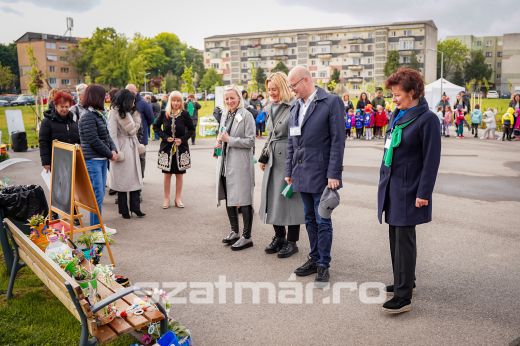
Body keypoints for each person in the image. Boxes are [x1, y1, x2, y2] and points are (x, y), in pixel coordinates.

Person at [378, 67, 441, 314]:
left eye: (397, 94)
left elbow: (431, 161)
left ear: (413, 92)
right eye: (392, 94)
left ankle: (403, 296)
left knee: (404, 239)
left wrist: (423, 193)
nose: (393, 99)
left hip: (411, 188)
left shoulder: (428, 120)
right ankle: (405, 280)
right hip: (393, 187)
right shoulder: (398, 115)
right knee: (395, 237)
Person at [285, 66, 345, 284]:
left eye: (293, 86)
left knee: (323, 219)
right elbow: (292, 141)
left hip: (322, 174)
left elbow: (338, 141)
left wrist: (334, 173)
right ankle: (314, 257)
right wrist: (289, 170)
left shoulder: (330, 102)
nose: (292, 91)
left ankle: (323, 264)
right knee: (309, 218)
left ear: (306, 80)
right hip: (301, 173)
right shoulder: (295, 106)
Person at [259, 72, 305, 258]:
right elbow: (270, 134)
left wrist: (297, 162)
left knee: (290, 199)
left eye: (275, 89)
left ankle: (292, 242)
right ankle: (279, 236)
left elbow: (298, 136)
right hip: (273, 157)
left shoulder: (295, 106)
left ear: (283, 88)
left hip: (288, 155)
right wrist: (263, 155)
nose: (272, 92)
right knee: (272, 197)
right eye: (269, 89)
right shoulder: (270, 107)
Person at [216, 85, 256, 251]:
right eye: (227, 99)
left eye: (232, 98)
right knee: (229, 195)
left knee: (244, 197)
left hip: (240, 163)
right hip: (226, 161)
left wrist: (229, 140)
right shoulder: (225, 114)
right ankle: (234, 231)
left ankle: (247, 236)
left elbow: (251, 141)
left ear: (239, 97)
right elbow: (222, 135)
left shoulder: (246, 115)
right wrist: (218, 142)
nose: (230, 101)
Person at [78, 84, 118, 236]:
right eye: (103, 96)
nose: (106, 98)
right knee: (97, 195)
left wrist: (113, 149)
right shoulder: (87, 116)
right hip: (93, 160)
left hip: (101, 160)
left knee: (99, 194)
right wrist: (110, 154)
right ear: (96, 97)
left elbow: (107, 136)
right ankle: (95, 229)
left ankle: (98, 226)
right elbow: (93, 140)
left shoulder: (97, 114)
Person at [108, 89, 146, 219]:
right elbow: (112, 134)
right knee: (122, 180)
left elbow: (133, 132)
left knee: (135, 178)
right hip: (122, 148)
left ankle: (136, 208)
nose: (134, 102)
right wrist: (117, 151)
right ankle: (124, 210)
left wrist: (138, 145)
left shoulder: (130, 113)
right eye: (132, 100)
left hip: (132, 146)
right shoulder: (113, 113)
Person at [154, 91, 195, 209]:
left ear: (181, 102)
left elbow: (191, 130)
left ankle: (178, 198)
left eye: (178, 100)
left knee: (179, 174)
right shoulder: (164, 114)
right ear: (170, 101)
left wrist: (182, 139)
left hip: (181, 149)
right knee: (167, 174)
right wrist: (166, 137)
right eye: (173, 100)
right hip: (166, 148)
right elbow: (156, 127)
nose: (176, 103)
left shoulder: (185, 114)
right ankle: (166, 199)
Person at [39, 91, 80, 172]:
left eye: (67, 107)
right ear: (56, 106)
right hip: (55, 161)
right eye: (62, 107)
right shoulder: (47, 121)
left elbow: (78, 137)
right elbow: (43, 142)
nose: (64, 109)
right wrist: (46, 162)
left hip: (72, 159)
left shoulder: (74, 119)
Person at [126, 84, 154, 178]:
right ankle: (131, 178)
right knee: (129, 158)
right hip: (127, 135)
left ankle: (140, 177)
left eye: (132, 92)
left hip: (141, 135)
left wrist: (144, 126)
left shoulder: (143, 103)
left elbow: (151, 118)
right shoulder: (124, 102)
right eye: (128, 92)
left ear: (136, 92)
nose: (130, 94)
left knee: (141, 157)